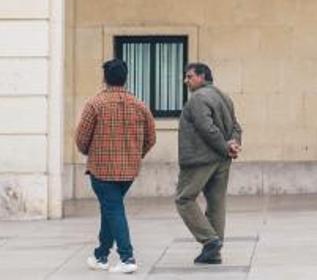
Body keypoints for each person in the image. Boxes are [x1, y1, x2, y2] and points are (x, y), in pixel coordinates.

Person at [75, 57, 156, 274]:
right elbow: (151, 138)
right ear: (125, 78)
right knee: (110, 209)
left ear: (104, 78)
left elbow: (81, 138)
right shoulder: (140, 105)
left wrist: (89, 152)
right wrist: (136, 156)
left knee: (113, 209)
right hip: (129, 170)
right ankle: (101, 255)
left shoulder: (95, 104)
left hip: (101, 169)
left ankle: (127, 257)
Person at [176, 62, 242, 266]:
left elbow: (207, 128)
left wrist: (225, 146)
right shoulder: (224, 96)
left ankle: (209, 240)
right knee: (216, 203)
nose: (186, 81)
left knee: (184, 199)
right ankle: (213, 252)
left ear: (202, 77)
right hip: (222, 160)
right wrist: (233, 144)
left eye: (190, 77)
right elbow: (236, 127)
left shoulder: (198, 98)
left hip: (200, 159)